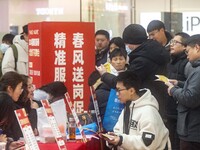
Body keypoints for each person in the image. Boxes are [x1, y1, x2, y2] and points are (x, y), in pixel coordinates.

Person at [101, 71, 169, 150]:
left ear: (131, 91)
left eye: (119, 90)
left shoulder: (149, 112)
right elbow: (118, 131)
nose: (117, 94)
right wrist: (113, 139)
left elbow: (147, 143)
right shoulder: (128, 107)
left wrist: (121, 140)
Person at [119, 24, 169, 119]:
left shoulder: (141, 60)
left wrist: (104, 75)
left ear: (131, 43)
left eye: (127, 44)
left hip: (148, 104)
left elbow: (126, 82)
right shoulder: (154, 50)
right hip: (159, 102)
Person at [166, 34, 200, 150]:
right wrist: (180, 84)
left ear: (197, 48)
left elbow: (190, 98)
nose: (187, 56)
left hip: (193, 131)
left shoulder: (198, 71)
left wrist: (173, 90)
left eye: (188, 51)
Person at [89, 48, 128, 122]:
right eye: (115, 59)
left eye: (121, 59)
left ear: (126, 60)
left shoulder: (131, 74)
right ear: (110, 61)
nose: (118, 62)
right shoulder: (102, 73)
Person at [0, 71, 24, 140]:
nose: (20, 92)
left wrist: (9, 144)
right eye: (19, 88)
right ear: (10, 88)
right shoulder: (6, 100)